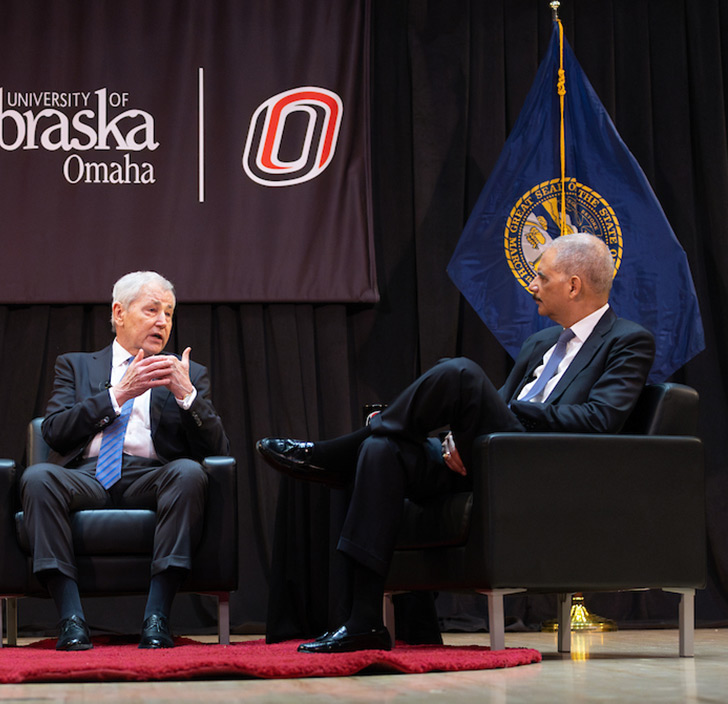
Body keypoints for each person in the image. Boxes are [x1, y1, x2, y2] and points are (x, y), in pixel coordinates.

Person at [256, 233, 655, 653]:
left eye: (542, 277)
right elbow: (493, 406)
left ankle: (335, 454)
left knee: (460, 372)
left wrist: (516, 411)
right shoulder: (539, 343)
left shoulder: (627, 340)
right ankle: (364, 620)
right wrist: (453, 440)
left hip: (536, 466)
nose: (532, 285)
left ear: (574, 285)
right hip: (485, 456)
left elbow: (599, 420)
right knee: (382, 451)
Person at [20, 271, 229, 650]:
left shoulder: (187, 373)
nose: (163, 321)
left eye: (169, 312)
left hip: (150, 478)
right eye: (152, 310)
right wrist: (116, 396)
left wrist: (187, 396)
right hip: (86, 478)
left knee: (188, 472)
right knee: (38, 478)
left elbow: (218, 449)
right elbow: (53, 430)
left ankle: (157, 618)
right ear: (119, 312)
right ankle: (70, 619)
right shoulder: (76, 366)